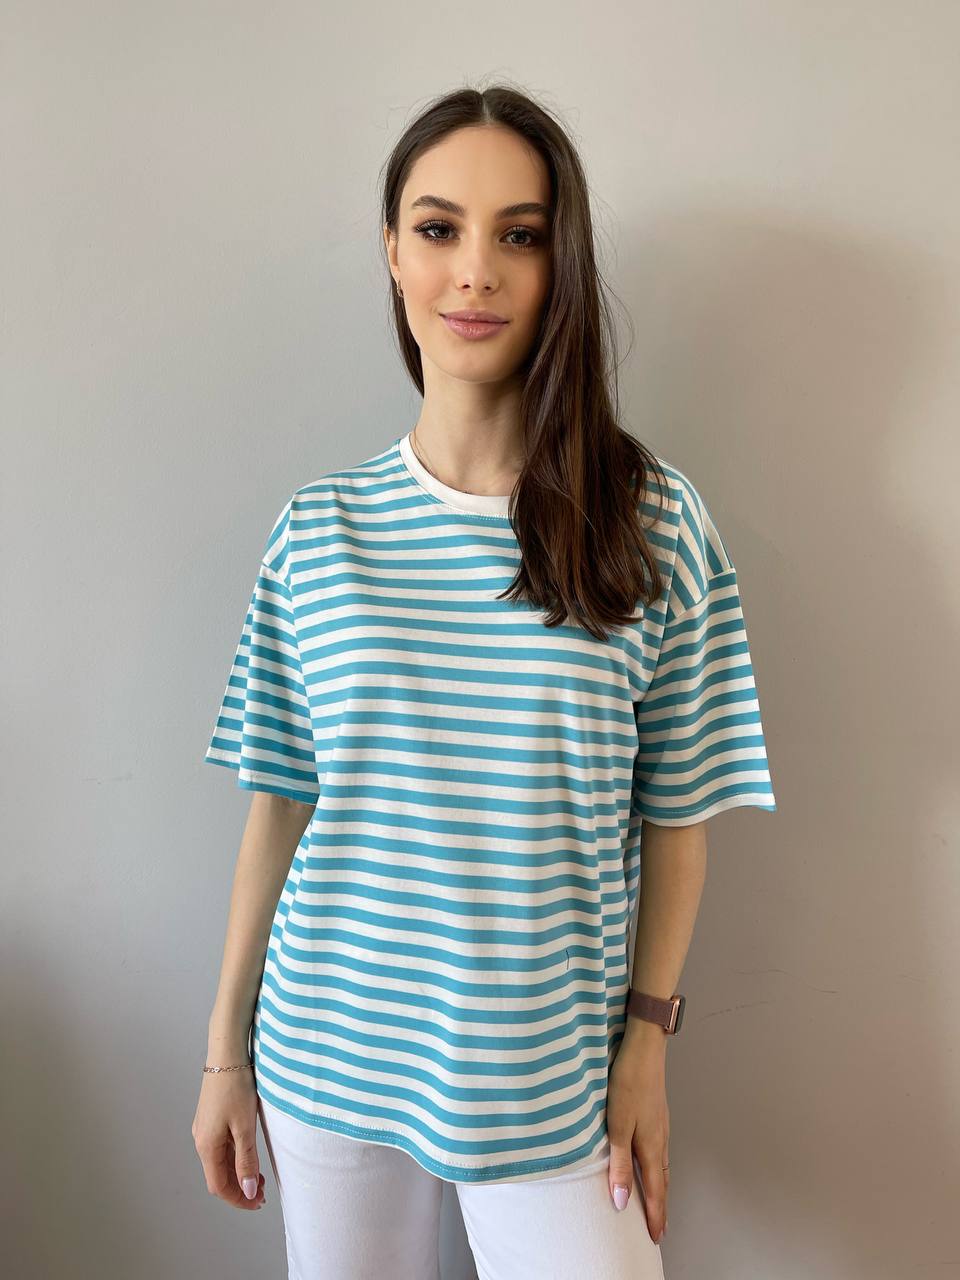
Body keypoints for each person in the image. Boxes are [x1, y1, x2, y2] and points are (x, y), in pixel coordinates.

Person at [191, 80, 777, 1280]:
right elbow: (281, 804)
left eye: (520, 234)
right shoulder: (320, 531)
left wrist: (647, 1045)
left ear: (563, 266)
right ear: (393, 254)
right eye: (438, 228)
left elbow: (680, 817)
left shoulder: (652, 522)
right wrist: (223, 1049)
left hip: (553, 1077)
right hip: (327, 1054)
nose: (475, 272)